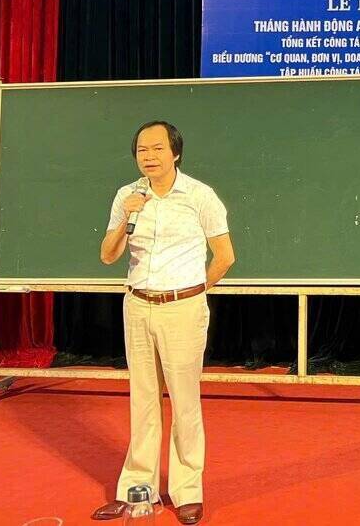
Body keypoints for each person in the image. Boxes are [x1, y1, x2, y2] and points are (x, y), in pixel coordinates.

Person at [91, 121, 235, 525]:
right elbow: (107, 255)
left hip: (183, 308)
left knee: (184, 401)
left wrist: (193, 290)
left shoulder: (200, 196)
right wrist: (125, 218)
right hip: (137, 305)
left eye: (156, 149)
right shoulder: (127, 196)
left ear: (176, 153)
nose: (148, 157)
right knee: (143, 399)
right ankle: (137, 488)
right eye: (141, 150)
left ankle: (187, 491)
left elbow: (224, 256)